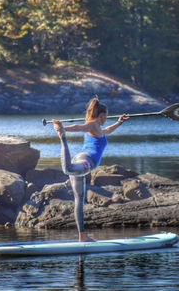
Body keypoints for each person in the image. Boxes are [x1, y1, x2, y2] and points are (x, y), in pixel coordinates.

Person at [52, 98, 129, 242]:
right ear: (102, 115)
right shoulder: (93, 125)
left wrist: (120, 122)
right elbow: (79, 127)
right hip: (86, 161)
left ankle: (82, 236)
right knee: (68, 169)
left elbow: (108, 130)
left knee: (79, 200)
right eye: (106, 116)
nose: (106, 119)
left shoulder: (97, 129)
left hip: (80, 159)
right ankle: (62, 139)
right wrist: (64, 130)